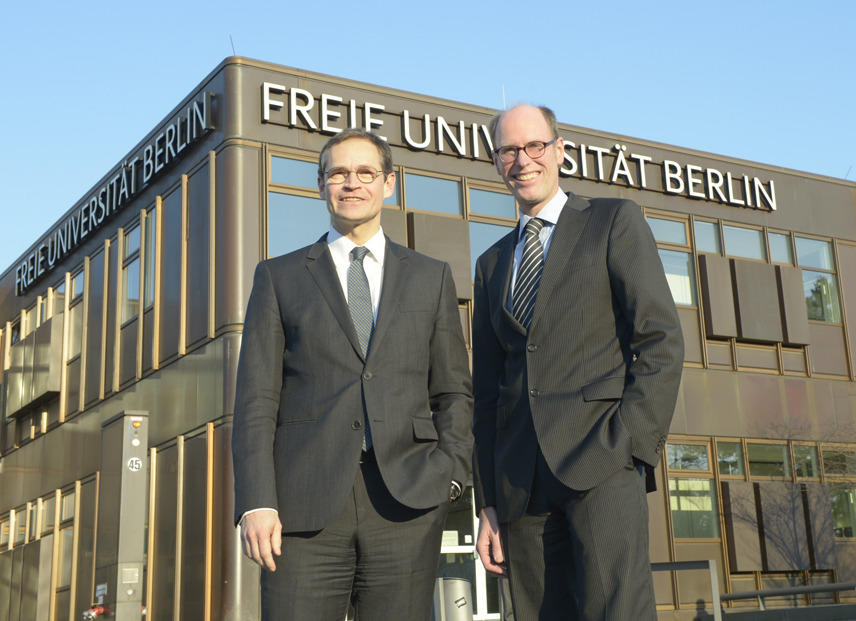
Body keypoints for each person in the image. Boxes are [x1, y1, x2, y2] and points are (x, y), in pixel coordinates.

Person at [232, 128, 473, 620]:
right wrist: (256, 501)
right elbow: (256, 398)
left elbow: (452, 390)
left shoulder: (431, 276)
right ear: (321, 185)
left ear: (388, 184)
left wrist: (451, 477)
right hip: (302, 509)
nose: (352, 183)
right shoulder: (279, 277)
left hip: (406, 503)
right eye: (338, 173)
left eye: (366, 172)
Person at [472, 104, 684, 620]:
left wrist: (631, 444)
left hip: (602, 461)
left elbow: (659, 338)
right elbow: (485, 392)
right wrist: (488, 502)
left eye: (534, 146)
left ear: (560, 150)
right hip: (521, 487)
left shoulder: (612, 220)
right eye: (508, 150)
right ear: (497, 162)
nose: (522, 160)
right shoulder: (491, 263)